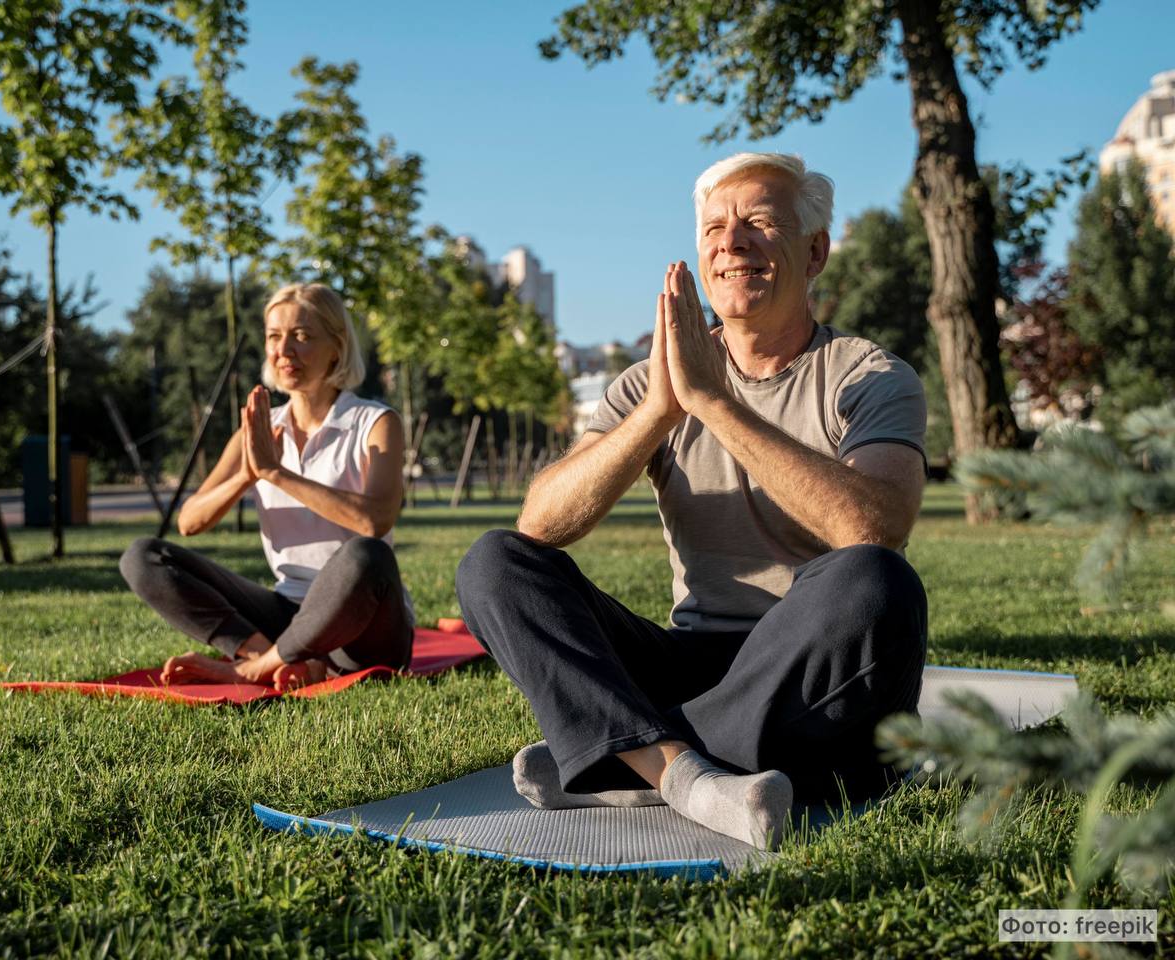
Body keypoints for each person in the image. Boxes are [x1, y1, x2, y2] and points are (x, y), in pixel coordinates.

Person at [455, 153, 929, 850]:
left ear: (816, 250)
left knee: (876, 582)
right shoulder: (653, 382)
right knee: (495, 561)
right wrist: (658, 413)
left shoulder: (868, 376)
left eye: (759, 223)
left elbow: (873, 526)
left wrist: (712, 402)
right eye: (713, 229)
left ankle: (621, 757)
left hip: (809, 666)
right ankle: (681, 772)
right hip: (690, 656)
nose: (730, 243)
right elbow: (542, 524)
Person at [119, 282, 413, 692]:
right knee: (142, 557)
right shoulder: (260, 432)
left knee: (367, 555)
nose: (284, 350)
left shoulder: (375, 422)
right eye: (274, 337)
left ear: (338, 346)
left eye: (303, 336)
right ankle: (271, 656)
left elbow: (374, 521)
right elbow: (189, 522)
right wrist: (248, 473)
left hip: (364, 631)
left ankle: (255, 668)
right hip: (286, 612)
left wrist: (277, 474)